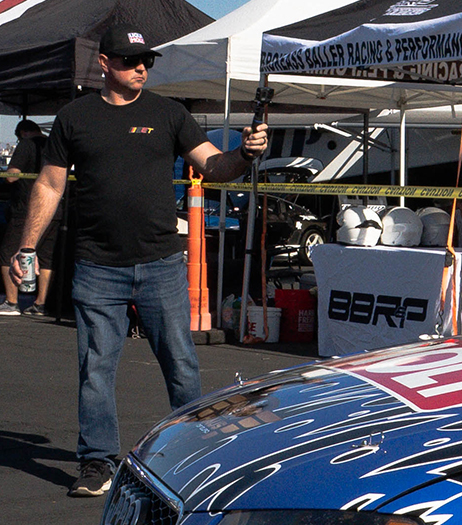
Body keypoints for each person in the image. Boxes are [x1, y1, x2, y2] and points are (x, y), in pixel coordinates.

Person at [6, 24, 269, 497]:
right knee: (95, 370)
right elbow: (49, 184)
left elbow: (215, 166)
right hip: (96, 266)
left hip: (162, 264)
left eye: (146, 60)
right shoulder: (73, 117)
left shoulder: (169, 113)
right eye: (130, 60)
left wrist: (245, 156)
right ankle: (97, 462)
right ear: (105, 63)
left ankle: (199, 456)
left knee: (182, 366)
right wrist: (26, 247)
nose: (141, 67)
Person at [1, 120, 56, 316]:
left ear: (23, 132)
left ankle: (12, 301)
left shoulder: (27, 144)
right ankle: (40, 304)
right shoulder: (52, 142)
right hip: (55, 208)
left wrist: (8, 172)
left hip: (27, 208)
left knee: (8, 252)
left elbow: (12, 176)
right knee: (47, 257)